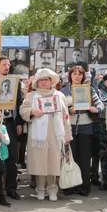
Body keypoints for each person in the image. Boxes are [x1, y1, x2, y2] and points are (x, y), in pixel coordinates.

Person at [20, 68, 72, 201]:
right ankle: (40, 188)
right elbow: (23, 110)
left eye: (46, 80)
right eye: (41, 80)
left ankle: (52, 188)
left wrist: (67, 135)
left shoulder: (59, 95)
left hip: (55, 134)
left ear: (51, 81)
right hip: (38, 136)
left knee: (53, 162)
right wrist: (32, 111)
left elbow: (65, 116)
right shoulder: (31, 96)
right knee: (39, 162)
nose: (43, 83)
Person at [61, 66, 104, 196]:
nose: (77, 76)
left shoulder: (89, 90)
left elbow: (100, 105)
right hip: (70, 128)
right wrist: (69, 110)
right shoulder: (64, 91)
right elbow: (60, 110)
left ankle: (84, 186)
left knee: (85, 158)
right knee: (70, 158)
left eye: (80, 74)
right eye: (74, 74)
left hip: (86, 127)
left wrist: (95, 109)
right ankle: (69, 185)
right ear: (70, 76)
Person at [0, 56, 23, 200]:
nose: (6, 67)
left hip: (10, 123)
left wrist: (19, 122)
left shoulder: (15, 82)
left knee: (12, 157)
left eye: (8, 65)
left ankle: (11, 188)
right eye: (3, 64)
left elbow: (19, 102)